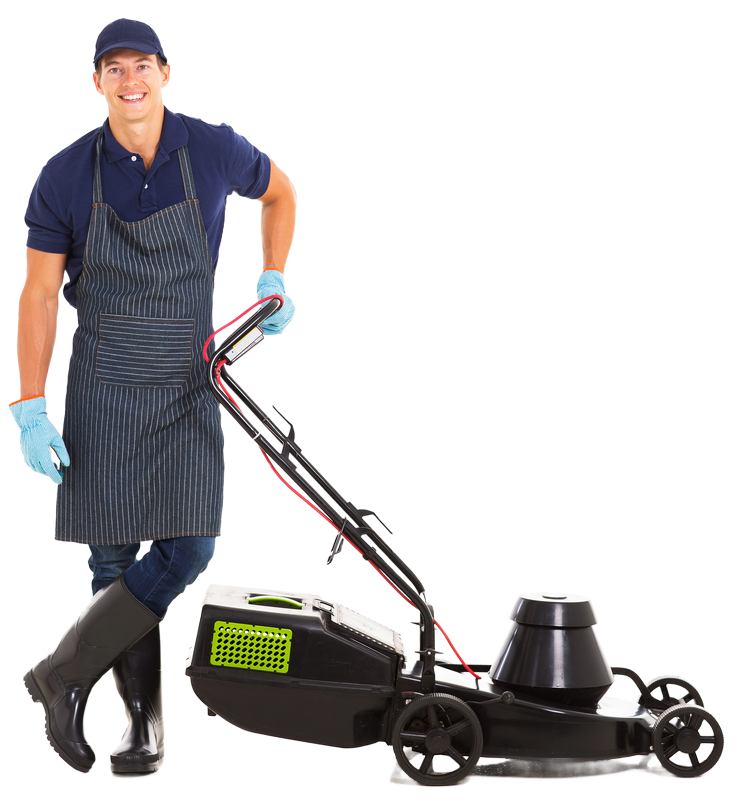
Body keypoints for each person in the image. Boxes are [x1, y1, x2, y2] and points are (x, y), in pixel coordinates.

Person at [9, 17, 298, 778]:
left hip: (186, 375)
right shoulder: (65, 173)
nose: (129, 79)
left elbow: (281, 193)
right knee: (112, 558)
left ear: (166, 72)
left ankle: (59, 676)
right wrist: (28, 405)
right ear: (97, 80)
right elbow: (39, 296)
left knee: (189, 546)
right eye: (114, 68)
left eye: (142, 64)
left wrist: (272, 278)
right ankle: (139, 724)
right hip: (103, 376)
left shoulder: (211, 145)